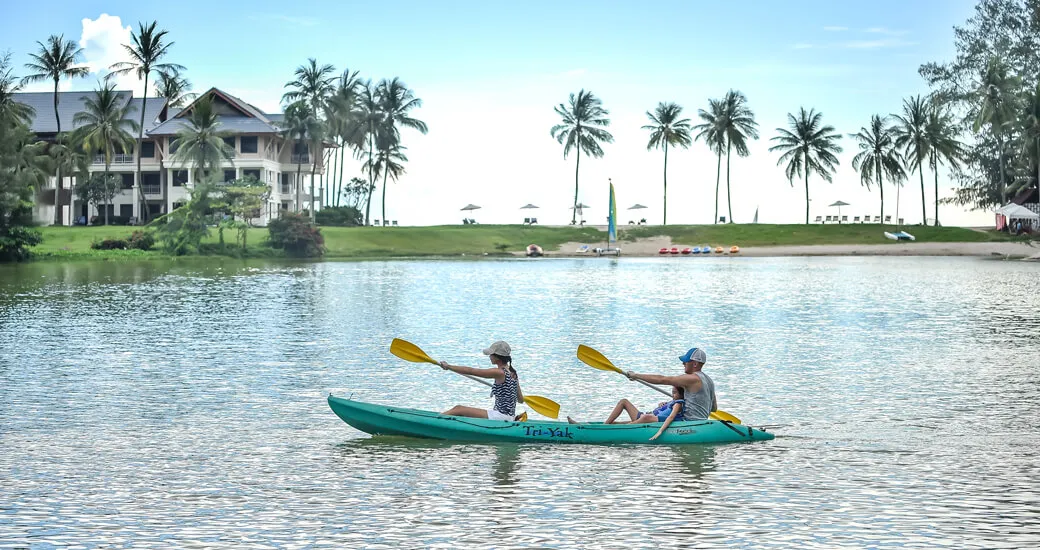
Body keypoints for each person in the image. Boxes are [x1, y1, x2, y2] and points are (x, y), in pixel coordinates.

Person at [439, 341, 525, 420]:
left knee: (459, 409)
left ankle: (436, 420)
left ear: (497, 357)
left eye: (491, 354)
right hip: (509, 416)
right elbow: (520, 400)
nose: (489, 356)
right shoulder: (513, 373)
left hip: (500, 416)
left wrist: (448, 366)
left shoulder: (499, 372)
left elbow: (471, 371)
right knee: (460, 410)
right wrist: (508, 394)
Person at [625, 347, 717, 421]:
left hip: (687, 422)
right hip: (702, 420)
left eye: (686, 361)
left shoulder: (692, 378)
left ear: (695, 364)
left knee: (646, 418)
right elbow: (713, 408)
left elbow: (662, 379)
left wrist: (636, 376)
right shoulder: (709, 381)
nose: (683, 363)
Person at [568, 386, 685, 441]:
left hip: (649, 420)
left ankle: (603, 429)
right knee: (624, 402)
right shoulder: (672, 401)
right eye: (672, 392)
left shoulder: (678, 404)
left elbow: (671, 417)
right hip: (643, 417)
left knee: (640, 419)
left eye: (675, 393)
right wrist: (662, 404)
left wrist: (660, 431)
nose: (673, 395)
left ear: (681, 394)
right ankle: (604, 425)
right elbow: (666, 408)